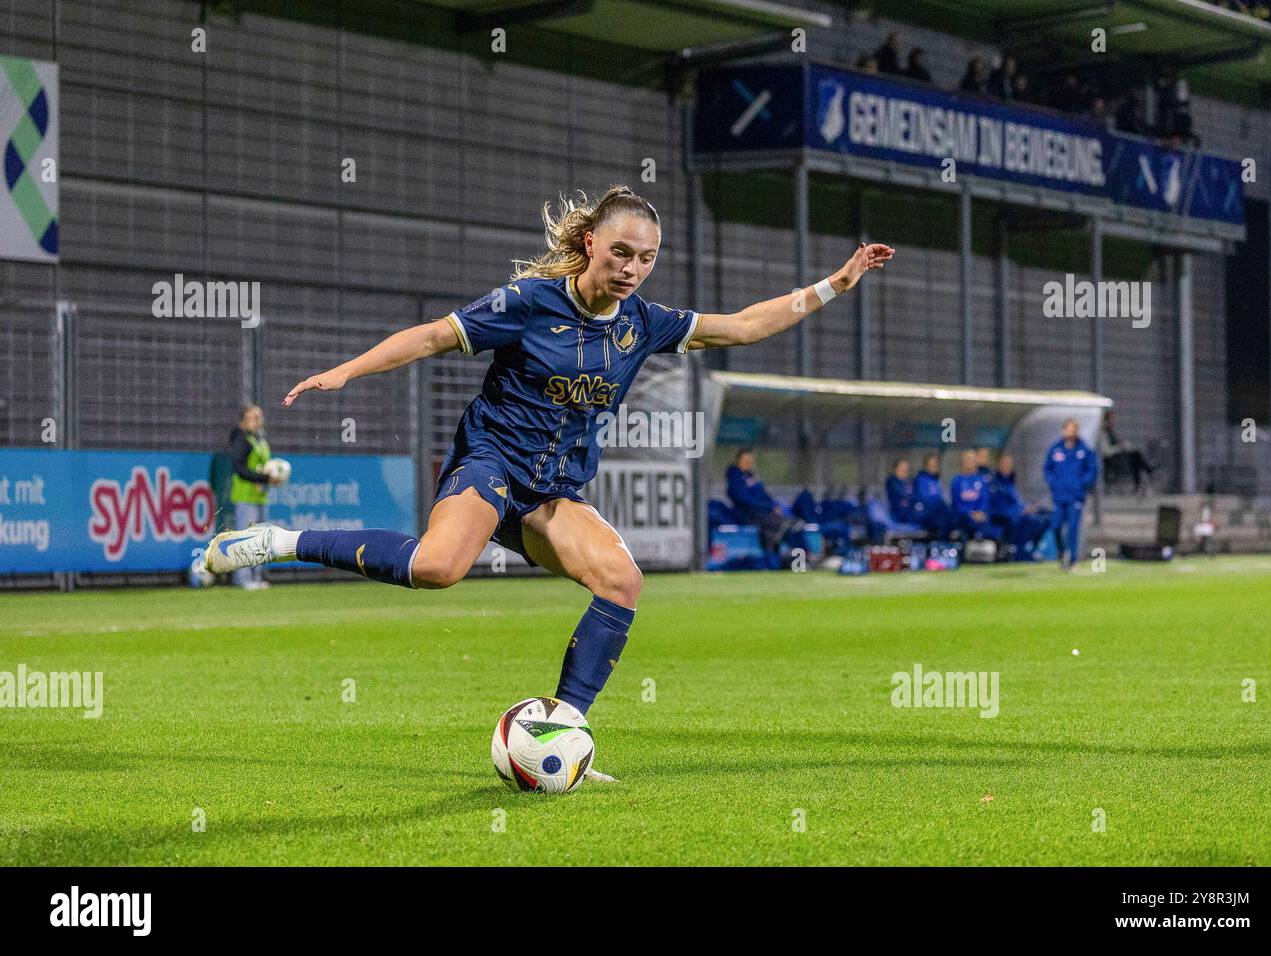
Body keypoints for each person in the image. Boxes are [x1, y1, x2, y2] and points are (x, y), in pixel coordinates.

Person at [203, 185, 894, 780]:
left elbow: (743, 326)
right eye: (621, 252)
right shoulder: (529, 302)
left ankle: (561, 732)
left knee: (622, 582)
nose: (632, 268)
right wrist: (349, 371)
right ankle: (281, 539)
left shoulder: (643, 325)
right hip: (491, 465)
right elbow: (433, 337)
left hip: (554, 492)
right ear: (591, 243)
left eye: (646, 258)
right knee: (438, 568)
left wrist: (835, 283)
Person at [226, 404, 285, 590]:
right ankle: (242, 578)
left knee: (260, 538)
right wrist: (266, 477)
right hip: (245, 496)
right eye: (252, 417)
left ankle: (256, 576)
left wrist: (270, 477)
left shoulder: (259, 440)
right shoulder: (242, 440)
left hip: (260, 497)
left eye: (259, 417)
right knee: (244, 539)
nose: (257, 421)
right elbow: (240, 468)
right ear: (243, 421)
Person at [1043, 418, 1098, 571]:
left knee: (1073, 528)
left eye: (1073, 430)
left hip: (1076, 496)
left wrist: (1082, 484)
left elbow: (1092, 469)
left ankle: (1072, 559)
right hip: (1059, 497)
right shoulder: (1056, 449)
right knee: (1055, 526)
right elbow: (1047, 469)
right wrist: (1053, 483)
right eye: (1067, 429)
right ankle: (1061, 552)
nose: (1070, 432)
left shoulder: (1083, 449)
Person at [728, 449, 797, 559]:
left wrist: (774, 506)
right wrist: (769, 507)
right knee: (774, 524)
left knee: (788, 523)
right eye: (745, 460)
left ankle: (794, 556)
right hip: (746, 514)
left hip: (762, 512)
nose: (748, 463)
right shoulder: (735, 478)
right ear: (738, 460)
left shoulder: (752, 477)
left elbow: (764, 495)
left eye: (750, 461)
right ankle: (771, 558)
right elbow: (744, 500)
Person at [988, 454, 1049, 560]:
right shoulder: (994, 484)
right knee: (1032, 521)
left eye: (1009, 464)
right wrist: (1019, 511)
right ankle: (1021, 552)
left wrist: (1026, 508)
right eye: (1004, 464)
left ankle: (1033, 549)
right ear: (999, 465)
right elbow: (999, 506)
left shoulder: (1010, 482)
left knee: (1046, 517)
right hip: (1006, 518)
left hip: (1018, 513)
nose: (1007, 466)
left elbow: (1017, 501)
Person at [1099, 410, 1155, 494]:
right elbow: (1106, 451)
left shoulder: (1110, 431)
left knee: (1135, 455)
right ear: (1105, 420)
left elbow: (1116, 443)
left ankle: (1139, 483)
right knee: (1135, 456)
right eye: (1111, 419)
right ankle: (1149, 470)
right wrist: (1119, 447)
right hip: (1109, 459)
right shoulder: (1102, 433)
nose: (1112, 421)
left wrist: (1124, 446)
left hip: (1117, 456)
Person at [950, 450, 999, 541]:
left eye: (972, 459)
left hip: (980, 517)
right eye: (968, 459)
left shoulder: (981, 480)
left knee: (991, 526)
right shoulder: (957, 481)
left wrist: (982, 513)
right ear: (962, 462)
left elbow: (985, 500)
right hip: (963, 518)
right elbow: (956, 504)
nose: (970, 462)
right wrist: (970, 514)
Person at [914, 452, 952, 539]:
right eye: (931, 465)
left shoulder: (938, 481)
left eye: (935, 465)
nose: (934, 467)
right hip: (926, 513)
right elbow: (924, 499)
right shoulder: (920, 480)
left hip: (940, 513)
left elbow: (946, 498)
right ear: (926, 466)